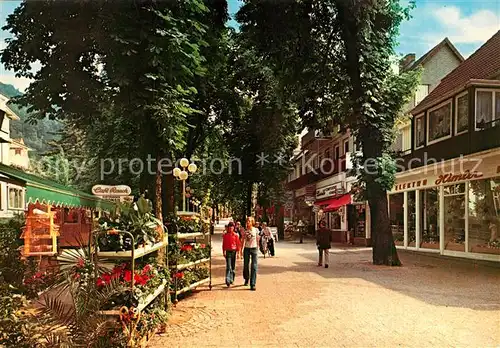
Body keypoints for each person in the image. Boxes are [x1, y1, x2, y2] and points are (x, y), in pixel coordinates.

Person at [242, 216, 259, 291]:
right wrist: (240, 251)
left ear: (252, 222)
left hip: (254, 249)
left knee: (254, 266)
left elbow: (258, 239)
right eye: (247, 221)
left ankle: (253, 284)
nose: (248, 222)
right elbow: (243, 240)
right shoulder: (245, 230)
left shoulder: (256, 230)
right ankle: (246, 278)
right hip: (247, 249)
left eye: (249, 221)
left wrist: (258, 248)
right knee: (246, 265)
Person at [222, 222, 240, 287]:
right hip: (228, 251)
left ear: (234, 227)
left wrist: (238, 253)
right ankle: (227, 279)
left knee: (233, 266)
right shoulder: (225, 235)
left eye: (232, 227)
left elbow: (238, 244)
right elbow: (224, 244)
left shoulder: (236, 235)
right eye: (230, 227)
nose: (231, 228)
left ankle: (232, 278)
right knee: (228, 266)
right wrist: (223, 251)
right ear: (228, 227)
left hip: (234, 251)